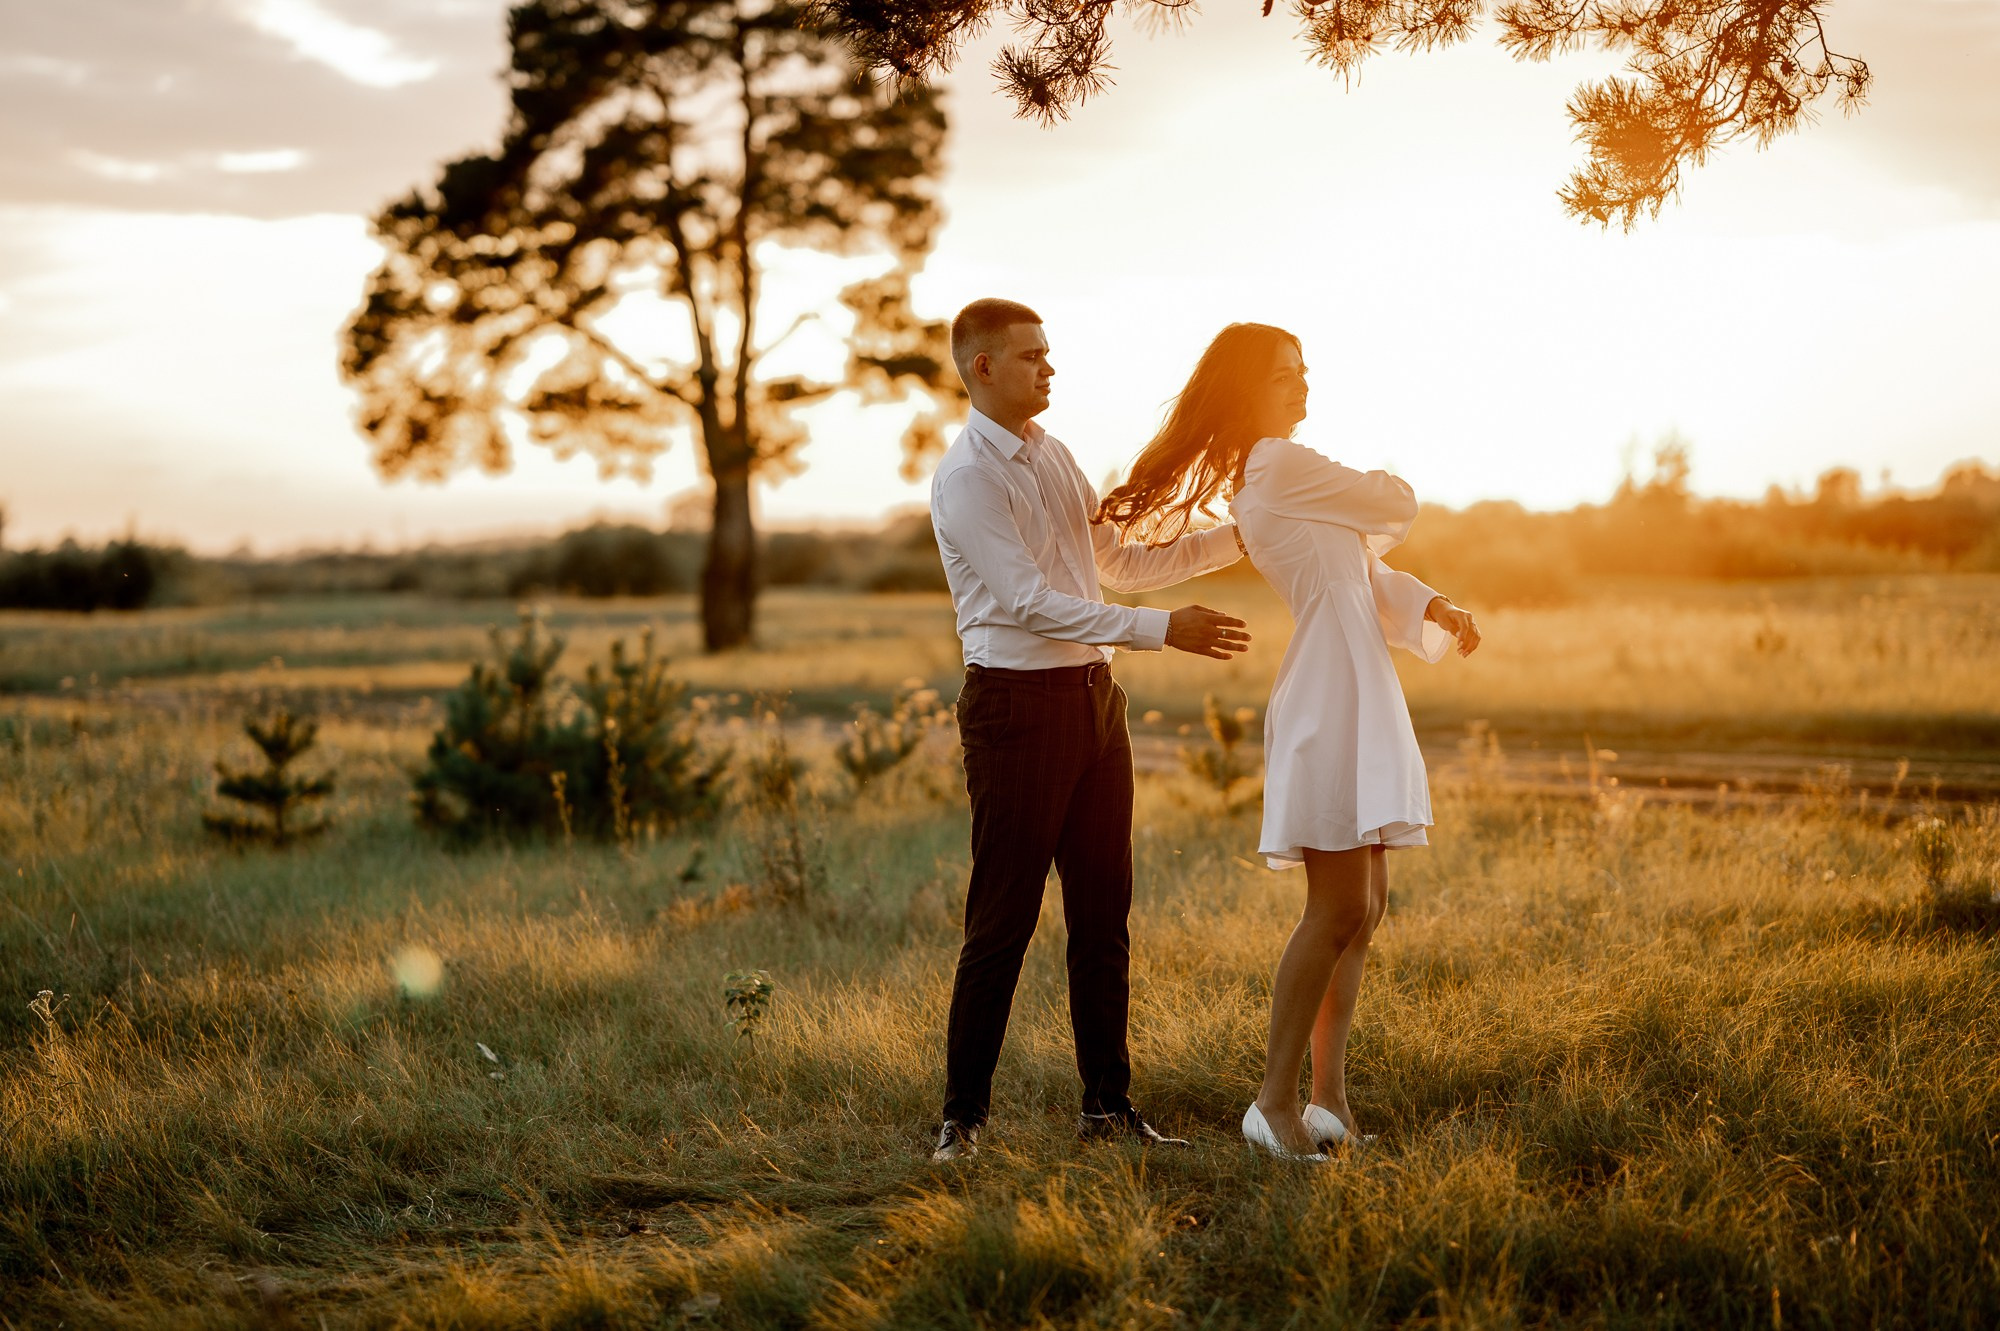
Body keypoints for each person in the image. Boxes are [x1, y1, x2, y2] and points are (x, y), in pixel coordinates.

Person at [1096, 323, 1481, 1161]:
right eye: (1282, 374)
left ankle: (1328, 1100)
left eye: (1304, 370)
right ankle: (1271, 1105)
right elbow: (1395, 501)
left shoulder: (1278, 477)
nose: (1301, 384)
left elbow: (1363, 572)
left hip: (1358, 683)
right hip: (1329, 694)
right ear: (1248, 390)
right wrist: (1382, 489)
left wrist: (1432, 603)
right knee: (1335, 907)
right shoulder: (1275, 464)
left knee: (1364, 911)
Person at [928, 298, 1253, 1163]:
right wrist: (1161, 630)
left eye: (1049, 353)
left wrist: (1241, 537)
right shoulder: (968, 479)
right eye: (1031, 356)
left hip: (1096, 703)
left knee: (1104, 918)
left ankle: (1108, 1109)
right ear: (982, 367)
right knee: (1002, 920)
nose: (1049, 368)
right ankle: (962, 1121)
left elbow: (1121, 561)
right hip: (1016, 710)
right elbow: (1027, 602)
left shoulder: (1055, 455)